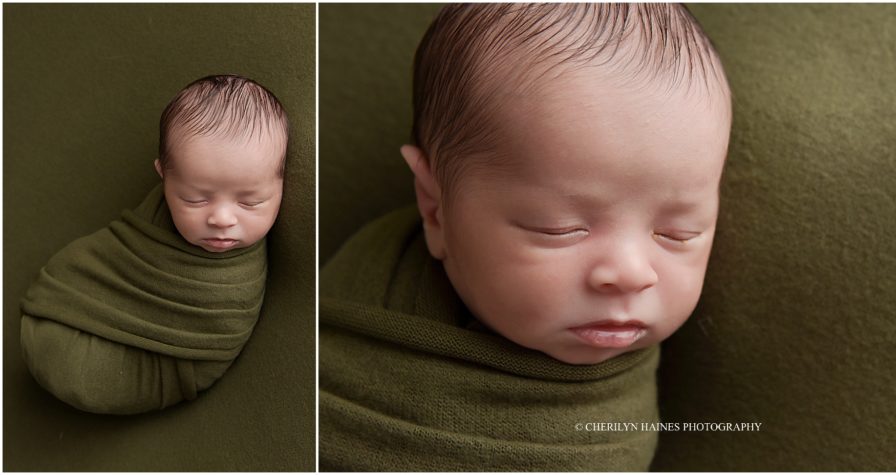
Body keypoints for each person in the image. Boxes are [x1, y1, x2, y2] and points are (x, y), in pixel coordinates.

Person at [320, 4, 731, 470]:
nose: (632, 274)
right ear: (435, 209)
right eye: (559, 228)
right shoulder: (366, 306)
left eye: (678, 233)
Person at [21, 75, 289, 414]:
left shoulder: (234, 280)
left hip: (171, 361)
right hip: (73, 307)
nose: (222, 219)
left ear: (282, 183)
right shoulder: (157, 214)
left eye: (250, 202)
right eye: (194, 199)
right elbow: (114, 255)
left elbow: (220, 330)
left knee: (75, 369)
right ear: (163, 176)